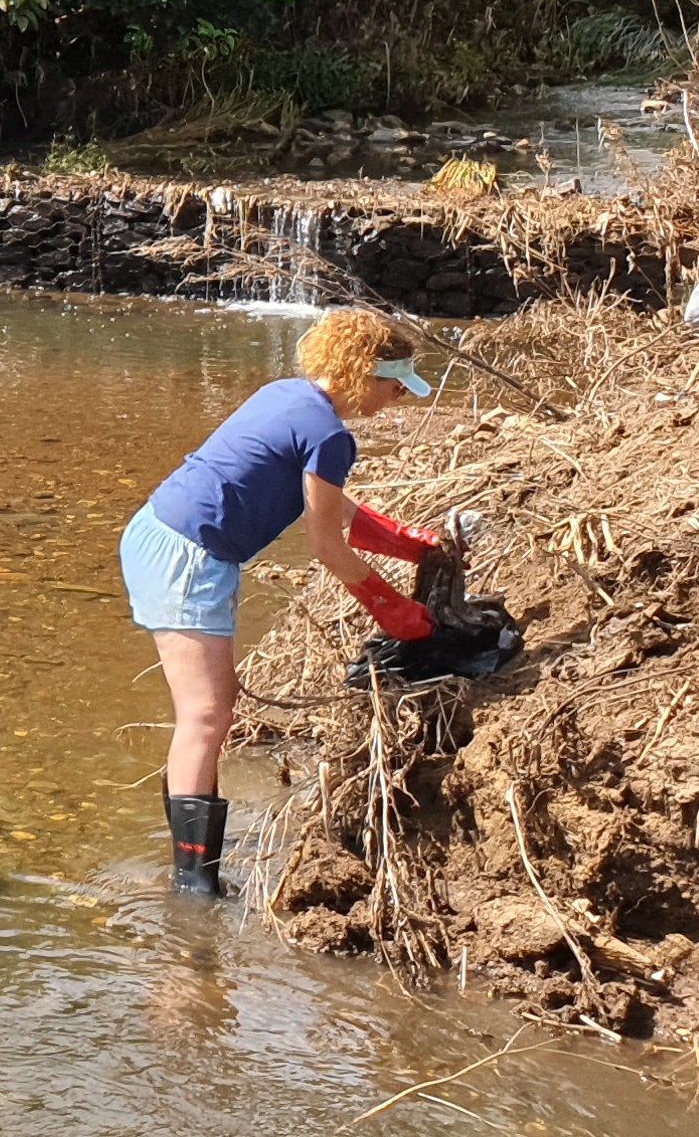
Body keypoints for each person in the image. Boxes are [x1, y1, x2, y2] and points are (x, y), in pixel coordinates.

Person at [120, 308, 454, 896]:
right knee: (205, 715)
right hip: (188, 558)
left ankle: (192, 874)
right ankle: (193, 887)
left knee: (207, 714)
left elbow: (329, 509)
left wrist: (400, 541)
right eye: (394, 385)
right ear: (361, 373)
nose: (397, 399)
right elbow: (326, 546)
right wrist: (389, 607)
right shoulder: (330, 435)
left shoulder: (289, 396)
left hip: (155, 533)